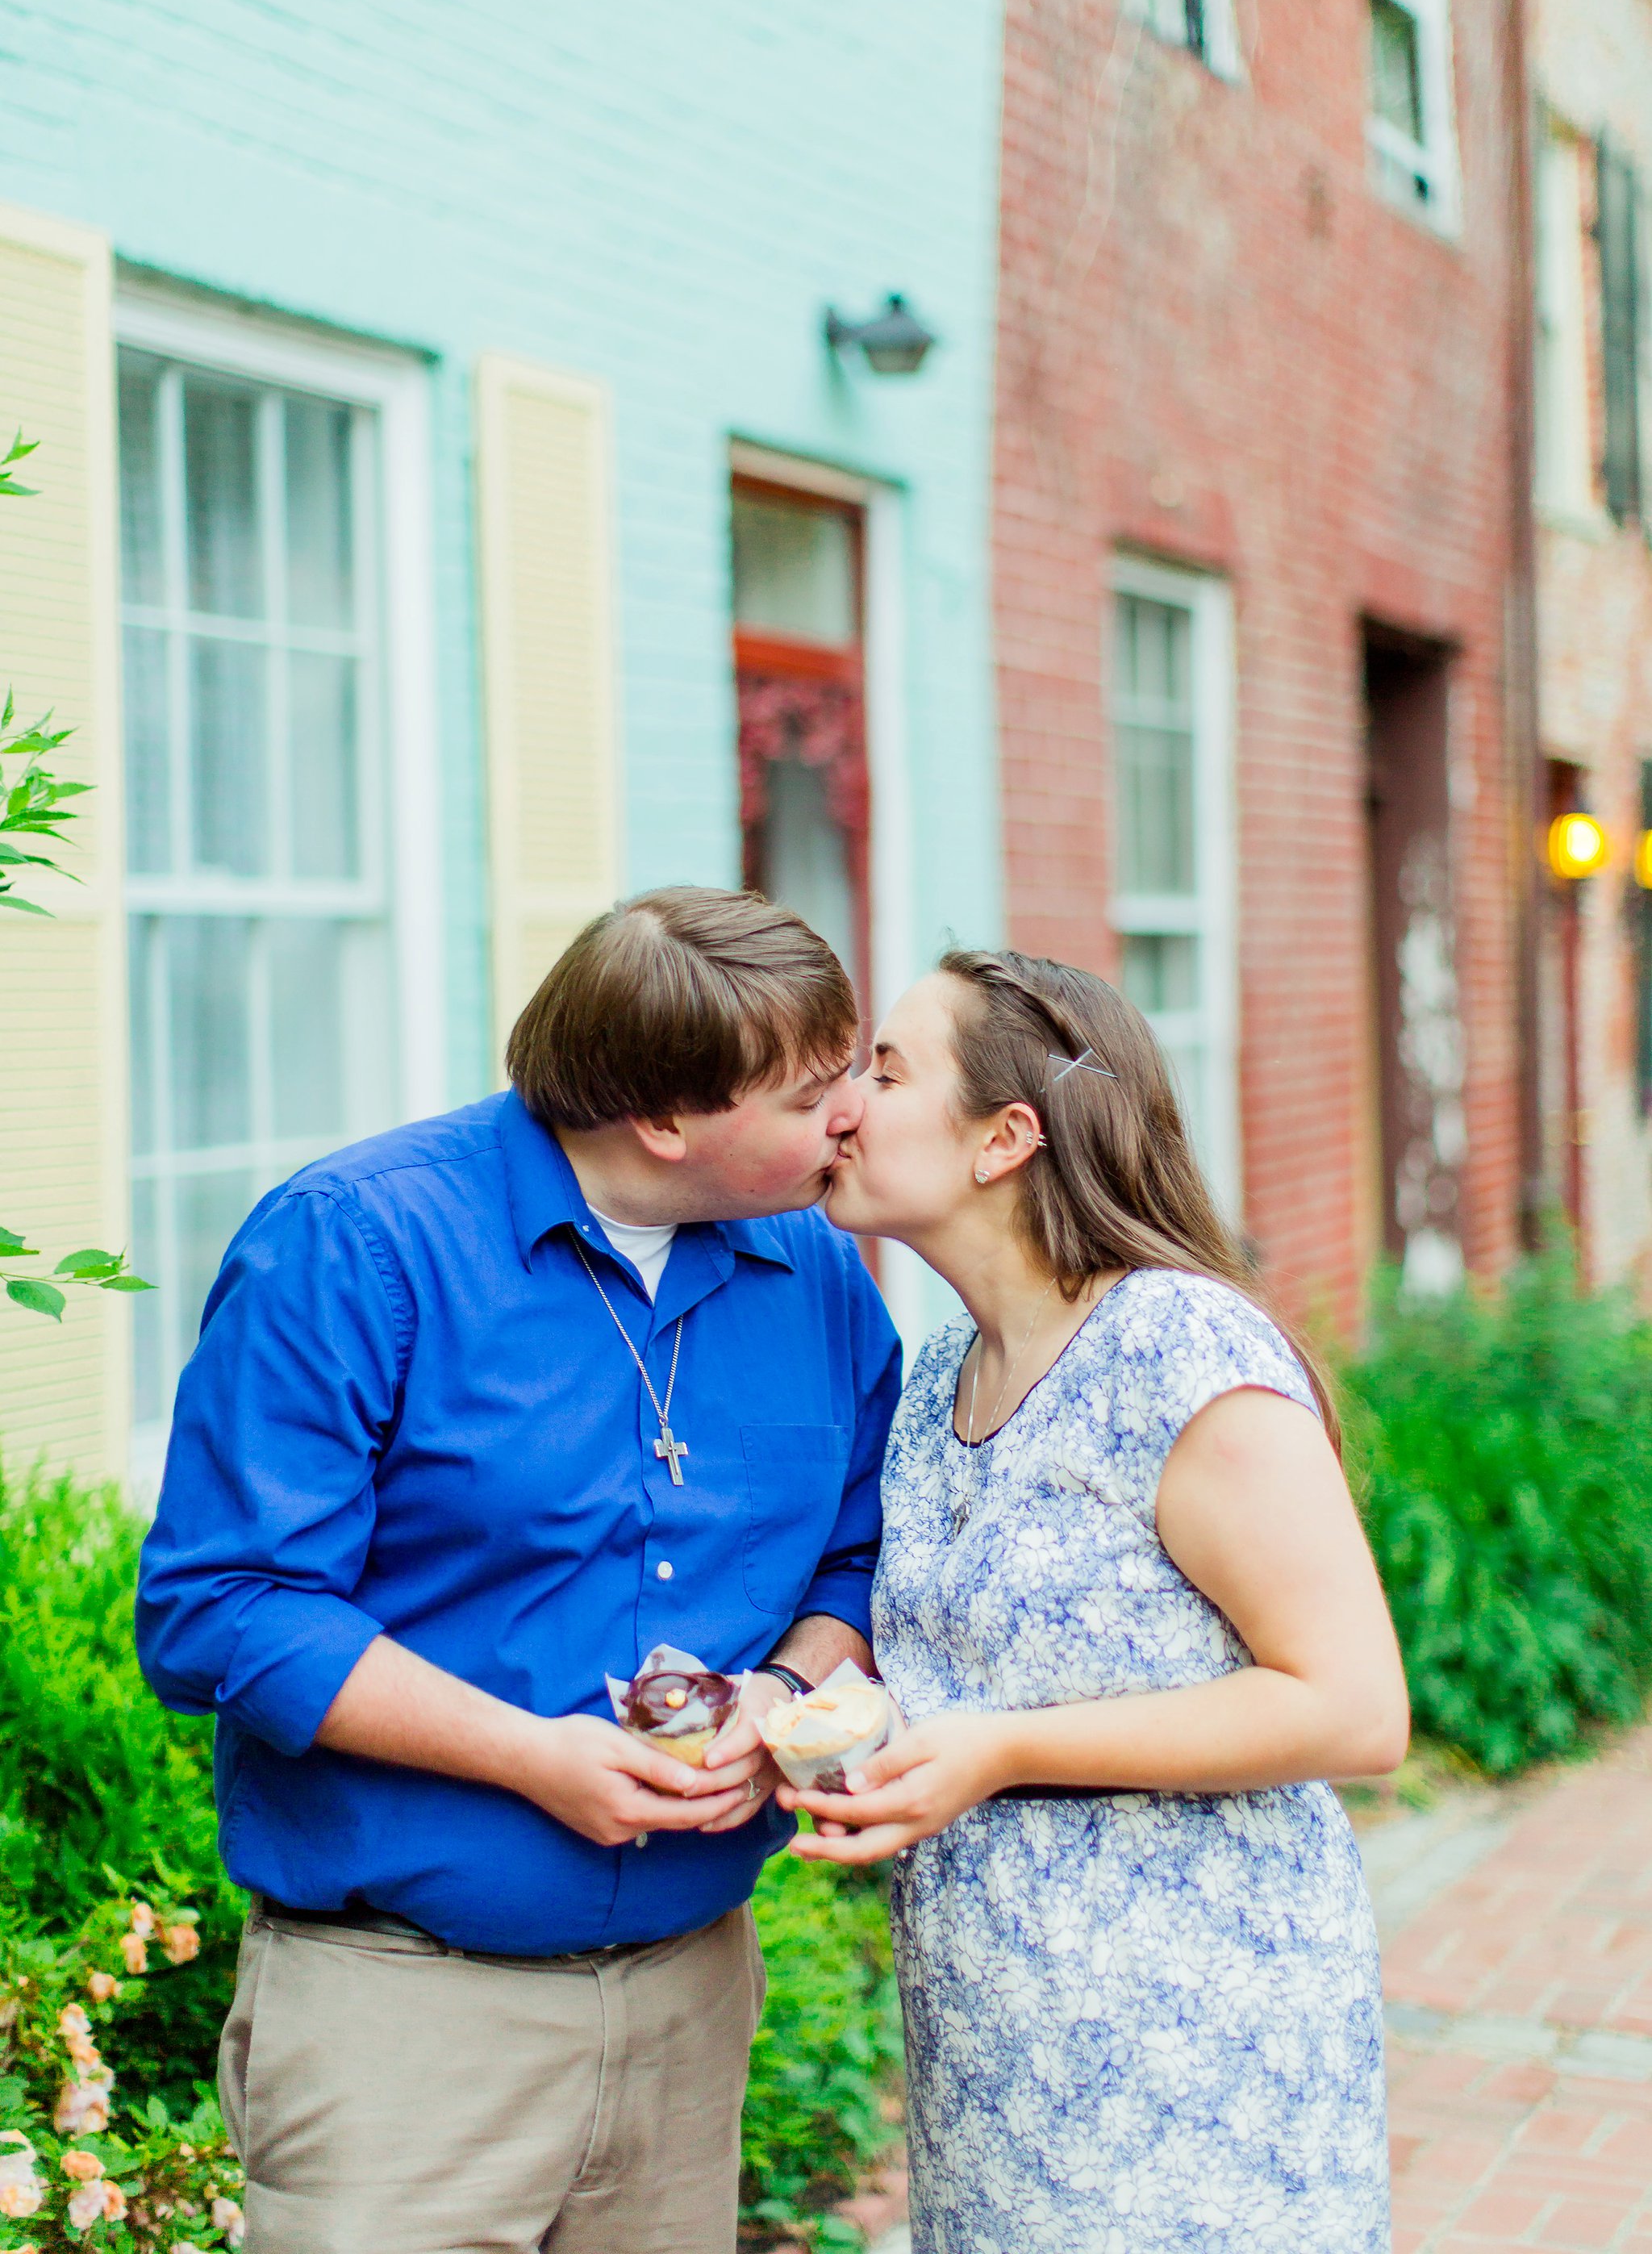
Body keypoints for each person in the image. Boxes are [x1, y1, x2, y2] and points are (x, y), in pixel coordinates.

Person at [136, 887, 901, 2254]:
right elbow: (221, 1611)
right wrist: (530, 1757)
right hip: (404, 2025)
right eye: (809, 1091)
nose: (854, 1110)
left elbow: (856, 1559)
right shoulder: (354, 1245)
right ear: (665, 1122)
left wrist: (781, 1691)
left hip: (694, 2000)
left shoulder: (819, 1269)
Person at [787, 948, 1406, 2254]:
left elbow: (1355, 1709)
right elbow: (977, 1664)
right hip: (997, 2046)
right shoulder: (943, 1364)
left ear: (1003, 1139)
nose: (840, 1103)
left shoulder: (1179, 1348)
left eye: (886, 1072)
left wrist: (1003, 1752)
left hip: (1192, 2040)